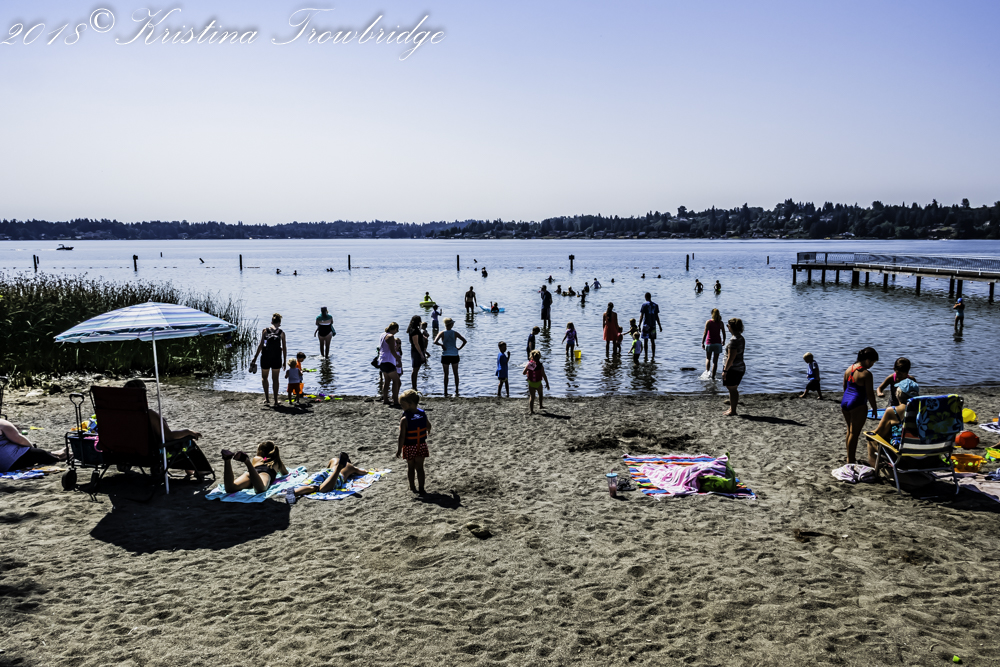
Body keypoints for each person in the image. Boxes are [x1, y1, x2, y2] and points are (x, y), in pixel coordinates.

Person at [122, 379, 205, 480]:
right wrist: (188, 431)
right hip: (150, 454)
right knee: (187, 440)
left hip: (124, 452)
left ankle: (190, 469)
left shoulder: (117, 415)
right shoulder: (149, 415)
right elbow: (169, 436)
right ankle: (199, 470)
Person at [867, 379, 921, 469]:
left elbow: (879, 433)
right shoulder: (925, 410)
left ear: (899, 394)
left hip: (903, 456)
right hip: (928, 455)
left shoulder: (893, 411)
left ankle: (875, 470)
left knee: (871, 439)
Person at [841, 347, 880, 464]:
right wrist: (874, 408)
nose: (872, 365)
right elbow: (870, 394)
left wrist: (847, 399)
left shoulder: (849, 369)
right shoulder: (866, 374)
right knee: (854, 433)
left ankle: (849, 457)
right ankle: (851, 460)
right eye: (872, 362)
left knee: (849, 431)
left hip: (845, 402)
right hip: (857, 403)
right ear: (867, 360)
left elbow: (845, 387)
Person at [285, 452, 370, 505]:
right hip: (338, 476)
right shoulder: (351, 466)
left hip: (325, 472)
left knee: (314, 486)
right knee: (323, 489)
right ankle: (338, 469)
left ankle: (294, 492)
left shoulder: (333, 460)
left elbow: (327, 467)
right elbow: (363, 472)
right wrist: (357, 470)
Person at [0, 418, 65, 473]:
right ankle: (60, 456)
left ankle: (55, 453)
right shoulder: (2, 423)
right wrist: (32, 447)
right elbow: (19, 439)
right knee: (41, 454)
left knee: (36, 452)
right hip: (11, 462)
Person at [221, 441, 288, 494]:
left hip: (251, 473)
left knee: (230, 488)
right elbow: (285, 473)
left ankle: (227, 460)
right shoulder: (276, 461)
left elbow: (265, 459)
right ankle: (247, 461)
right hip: (264, 473)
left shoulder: (256, 458)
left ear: (260, 451)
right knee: (261, 489)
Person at [396, 389, 430, 494]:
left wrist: (399, 449)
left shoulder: (405, 419)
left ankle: (412, 487)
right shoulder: (422, 414)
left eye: (402, 405)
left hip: (409, 446)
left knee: (410, 467)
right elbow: (428, 426)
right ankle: (421, 488)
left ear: (410, 404)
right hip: (421, 445)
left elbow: (402, 437)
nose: (401, 407)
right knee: (420, 468)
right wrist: (428, 430)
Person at [250, 313, 287, 405]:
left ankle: (267, 399)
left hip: (266, 357)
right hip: (276, 358)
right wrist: (284, 361)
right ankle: (276, 401)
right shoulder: (281, 333)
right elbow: (284, 348)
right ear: (279, 322)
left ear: (271, 322)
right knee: (275, 379)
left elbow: (261, 345)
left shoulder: (265, 331)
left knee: (264, 377)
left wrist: (255, 357)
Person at [434, 317, 467, 395]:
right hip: (454, 354)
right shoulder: (455, 333)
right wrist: (459, 348)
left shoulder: (442, 333)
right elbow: (464, 341)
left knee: (446, 374)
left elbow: (435, 342)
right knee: (456, 373)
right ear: (451, 325)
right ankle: (457, 390)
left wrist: (442, 345)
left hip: (445, 355)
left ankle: (445, 391)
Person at [722, 318, 746, 416]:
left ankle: (733, 410)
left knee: (732, 389)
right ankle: (732, 408)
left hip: (733, 368)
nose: (727, 327)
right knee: (733, 389)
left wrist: (725, 371)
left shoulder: (734, 340)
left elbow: (731, 358)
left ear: (731, 327)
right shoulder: (740, 338)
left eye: (728, 325)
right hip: (739, 367)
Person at [377, 322, 402, 407]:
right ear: (394, 329)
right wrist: (398, 359)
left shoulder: (382, 334)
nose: (397, 332)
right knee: (397, 381)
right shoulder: (390, 336)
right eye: (397, 330)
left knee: (387, 380)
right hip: (388, 361)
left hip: (381, 360)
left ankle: (385, 399)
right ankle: (395, 400)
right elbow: (392, 350)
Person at [701, 308, 726, 380]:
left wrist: (702, 342)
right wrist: (724, 340)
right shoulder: (721, 323)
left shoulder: (708, 322)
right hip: (718, 343)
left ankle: (707, 373)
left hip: (709, 343)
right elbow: (724, 333)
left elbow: (705, 333)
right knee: (715, 361)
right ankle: (713, 377)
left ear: (712, 314)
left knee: (708, 358)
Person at [638, 292, 662, 361]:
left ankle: (646, 355)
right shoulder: (655, 305)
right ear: (650, 297)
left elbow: (641, 316)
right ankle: (653, 356)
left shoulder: (644, 305)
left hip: (646, 325)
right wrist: (660, 326)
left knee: (645, 341)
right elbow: (657, 317)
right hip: (653, 325)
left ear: (645, 297)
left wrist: (639, 325)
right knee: (652, 341)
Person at [406, 316, 426, 392]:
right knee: (415, 369)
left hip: (416, 351)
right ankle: (414, 387)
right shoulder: (414, 331)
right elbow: (416, 343)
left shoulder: (413, 329)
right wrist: (421, 354)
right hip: (416, 351)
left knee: (416, 369)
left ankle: (414, 386)